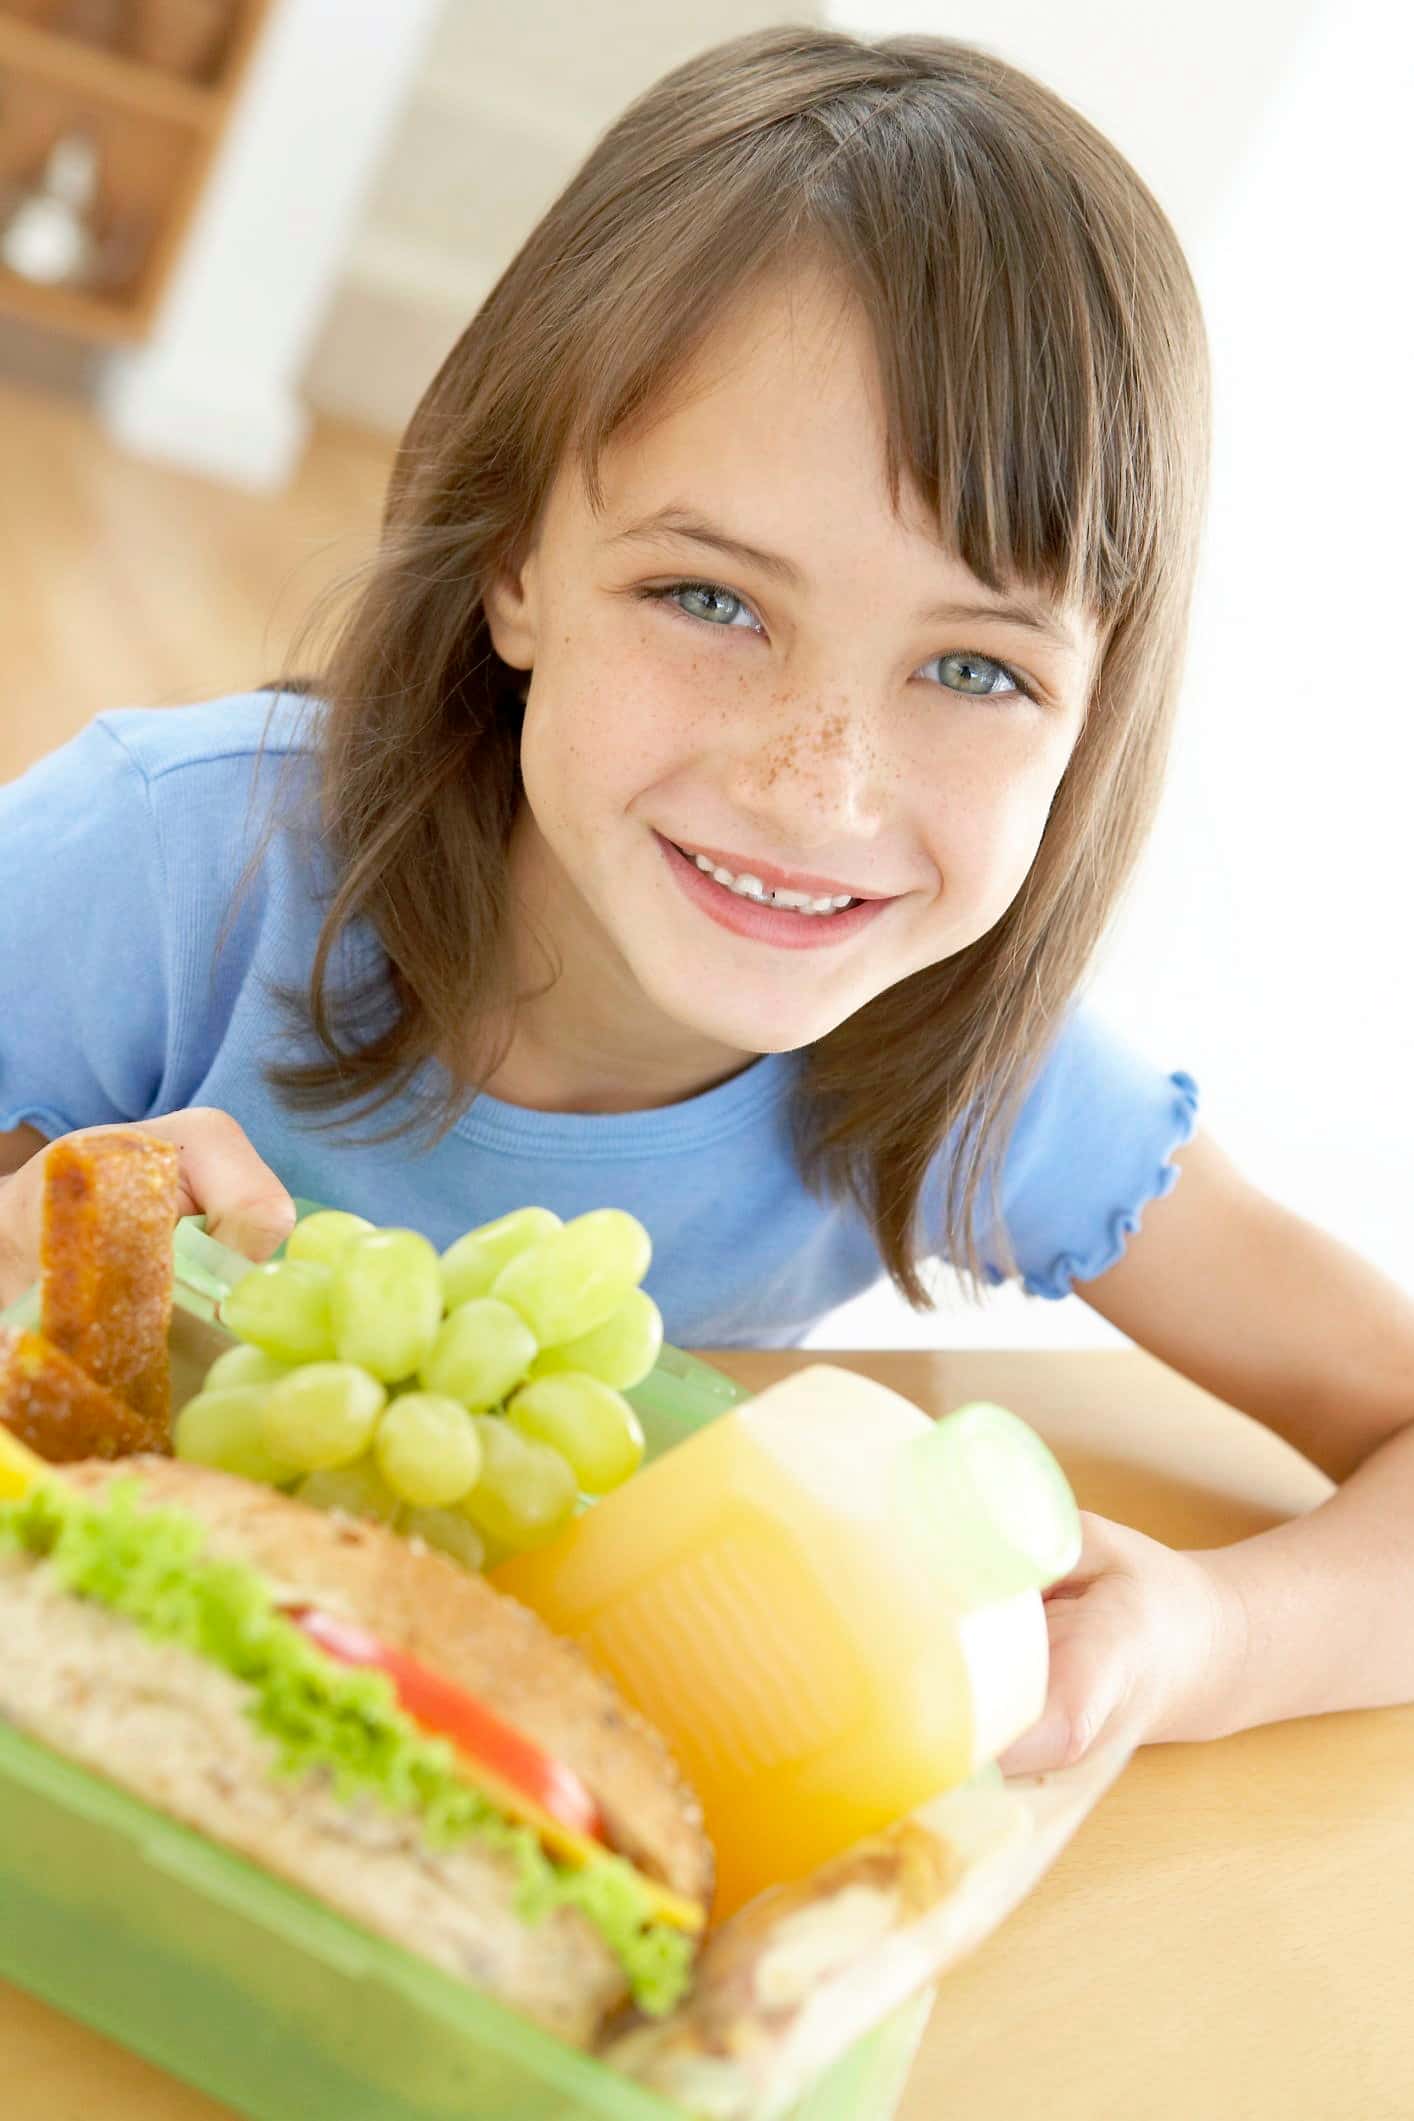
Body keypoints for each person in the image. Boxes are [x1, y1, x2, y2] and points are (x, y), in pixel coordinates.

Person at [3, 28, 1412, 1779]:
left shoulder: (972, 1069)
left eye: (973, 670)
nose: (816, 787)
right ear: (512, 557)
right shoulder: (168, 862)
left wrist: (1201, 1638)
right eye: (710, 599)